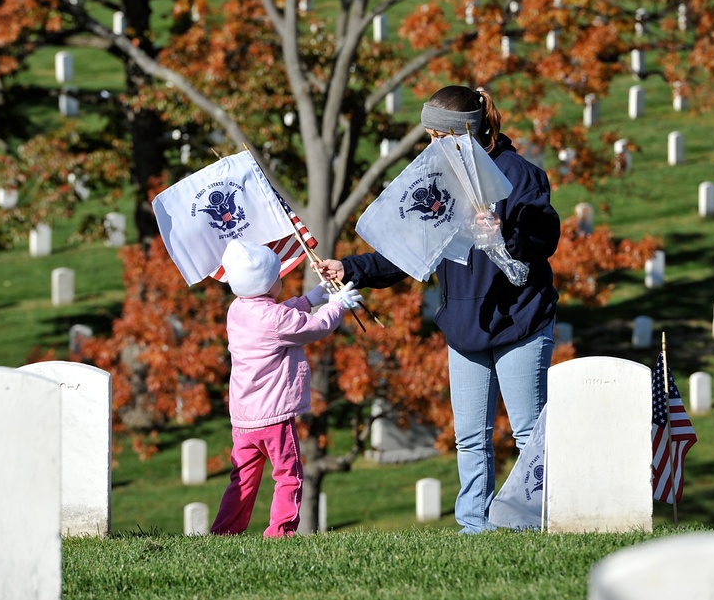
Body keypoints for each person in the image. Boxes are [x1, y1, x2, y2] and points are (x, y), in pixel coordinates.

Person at [316, 85, 561, 534]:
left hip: (521, 322)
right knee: (470, 439)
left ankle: (535, 523)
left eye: (437, 137)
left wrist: (506, 233)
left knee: (529, 435)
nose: (431, 147)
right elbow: (407, 253)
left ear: (462, 134)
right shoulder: (438, 180)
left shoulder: (519, 174)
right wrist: (349, 267)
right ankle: (473, 526)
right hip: (465, 328)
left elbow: (545, 237)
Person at [211, 239, 361, 538]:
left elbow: (283, 315)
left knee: (242, 478)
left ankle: (225, 531)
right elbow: (313, 327)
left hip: (243, 418)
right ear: (267, 284)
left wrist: (312, 297)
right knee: (288, 475)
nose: (281, 280)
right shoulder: (275, 319)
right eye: (278, 276)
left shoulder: (238, 310)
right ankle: (281, 532)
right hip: (274, 416)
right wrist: (336, 306)